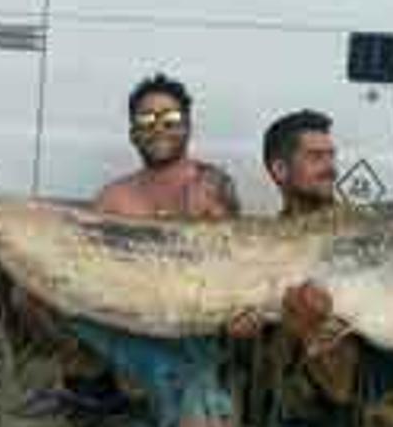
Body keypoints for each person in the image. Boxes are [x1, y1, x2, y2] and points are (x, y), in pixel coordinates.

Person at [38, 73, 257, 427]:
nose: (159, 128)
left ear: (187, 126)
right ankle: (98, 385)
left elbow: (226, 262)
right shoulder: (113, 198)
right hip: (124, 329)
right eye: (146, 119)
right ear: (132, 131)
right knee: (35, 294)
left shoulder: (211, 185)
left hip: (191, 338)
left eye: (170, 118)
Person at [253, 109, 393, 427]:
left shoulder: (365, 223)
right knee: (310, 314)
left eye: (331, 157)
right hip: (318, 375)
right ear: (279, 170)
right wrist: (305, 329)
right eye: (315, 157)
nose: (330, 168)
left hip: (381, 347)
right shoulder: (267, 242)